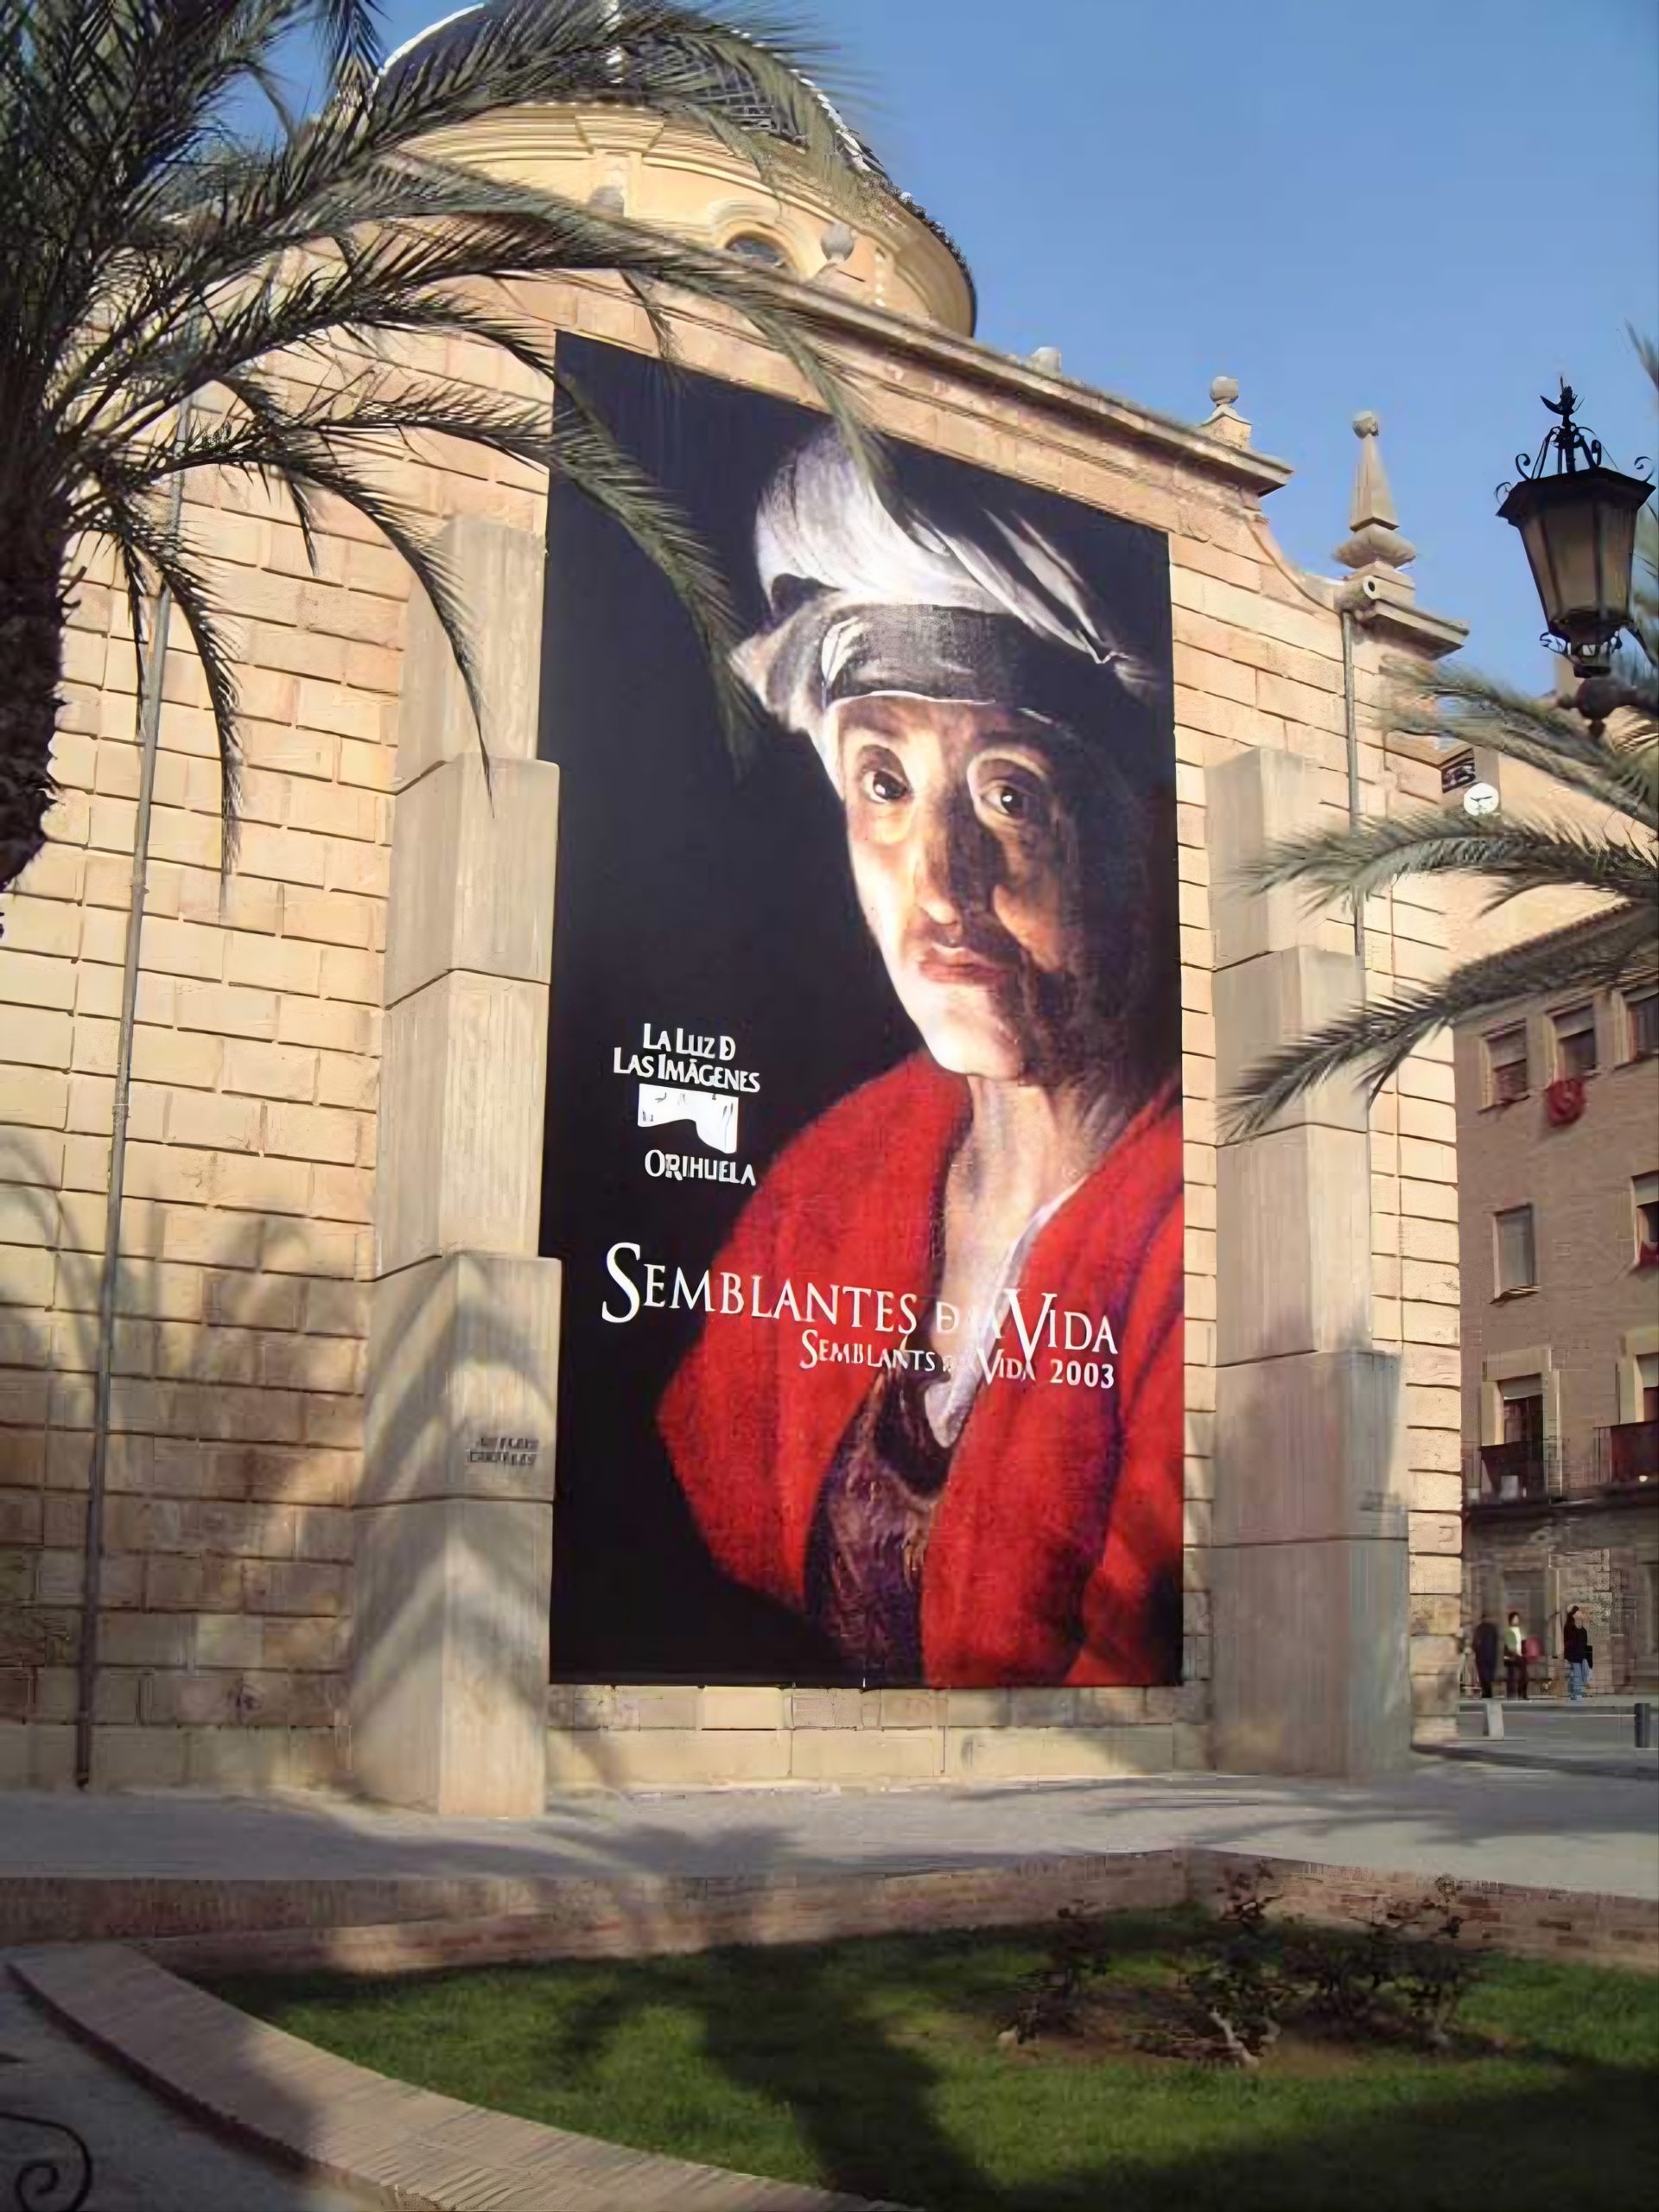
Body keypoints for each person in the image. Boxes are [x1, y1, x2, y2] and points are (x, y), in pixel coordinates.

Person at [660, 427, 1182, 1688]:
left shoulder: (1176, 1218)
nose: (941, 885)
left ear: (1138, 831)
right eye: (883, 783)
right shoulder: (840, 1176)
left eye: (1011, 795)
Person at [1563, 1605, 1592, 1702]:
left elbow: (1585, 1644)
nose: (1580, 1613)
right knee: (1577, 1675)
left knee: (1575, 1675)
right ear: (1573, 1615)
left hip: (1581, 1655)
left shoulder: (1583, 1630)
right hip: (1572, 1655)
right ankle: (1577, 1694)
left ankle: (1573, 1694)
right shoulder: (1568, 1628)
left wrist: (1586, 1658)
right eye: (1578, 1612)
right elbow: (1566, 1642)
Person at [1471, 1611, 1500, 1700]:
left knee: (1483, 1675)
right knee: (1489, 1675)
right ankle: (1489, 1692)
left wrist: (1476, 1651)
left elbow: (1475, 1643)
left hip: (1482, 1657)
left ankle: (1486, 1693)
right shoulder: (1493, 1628)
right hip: (1491, 1656)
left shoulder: (1479, 1628)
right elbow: (1497, 1643)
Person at [1503, 1610, 1529, 1700]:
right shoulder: (1508, 1631)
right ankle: (1511, 1694)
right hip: (1512, 1657)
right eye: (1514, 1619)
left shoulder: (1521, 1631)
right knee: (1512, 1676)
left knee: (1524, 1676)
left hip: (1521, 1657)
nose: (1516, 1620)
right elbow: (1509, 1645)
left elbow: (1524, 1643)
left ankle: (1522, 1693)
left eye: (1517, 1619)